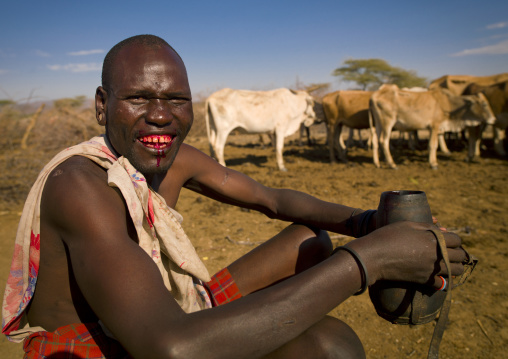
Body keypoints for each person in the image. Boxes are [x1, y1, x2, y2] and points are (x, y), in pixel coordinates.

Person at [2, 34, 467, 359]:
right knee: (331, 346)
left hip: (164, 311)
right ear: (103, 105)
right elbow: (171, 348)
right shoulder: (80, 185)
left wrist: (369, 223)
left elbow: (271, 199)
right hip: (104, 345)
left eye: (177, 100)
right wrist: (370, 262)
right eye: (140, 99)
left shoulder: (170, 159)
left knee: (311, 239)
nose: (161, 116)